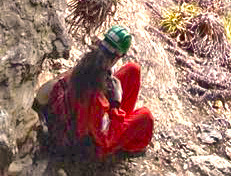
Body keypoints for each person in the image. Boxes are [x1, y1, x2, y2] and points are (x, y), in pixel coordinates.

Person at [33, 25, 154, 158]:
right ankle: (126, 146)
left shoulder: (84, 67)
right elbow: (104, 138)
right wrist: (115, 104)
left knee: (132, 70)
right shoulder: (96, 99)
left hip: (78, 120)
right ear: (117, 57)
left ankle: (122, 123)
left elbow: (44, 93)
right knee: (145, 117)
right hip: (88, 143)